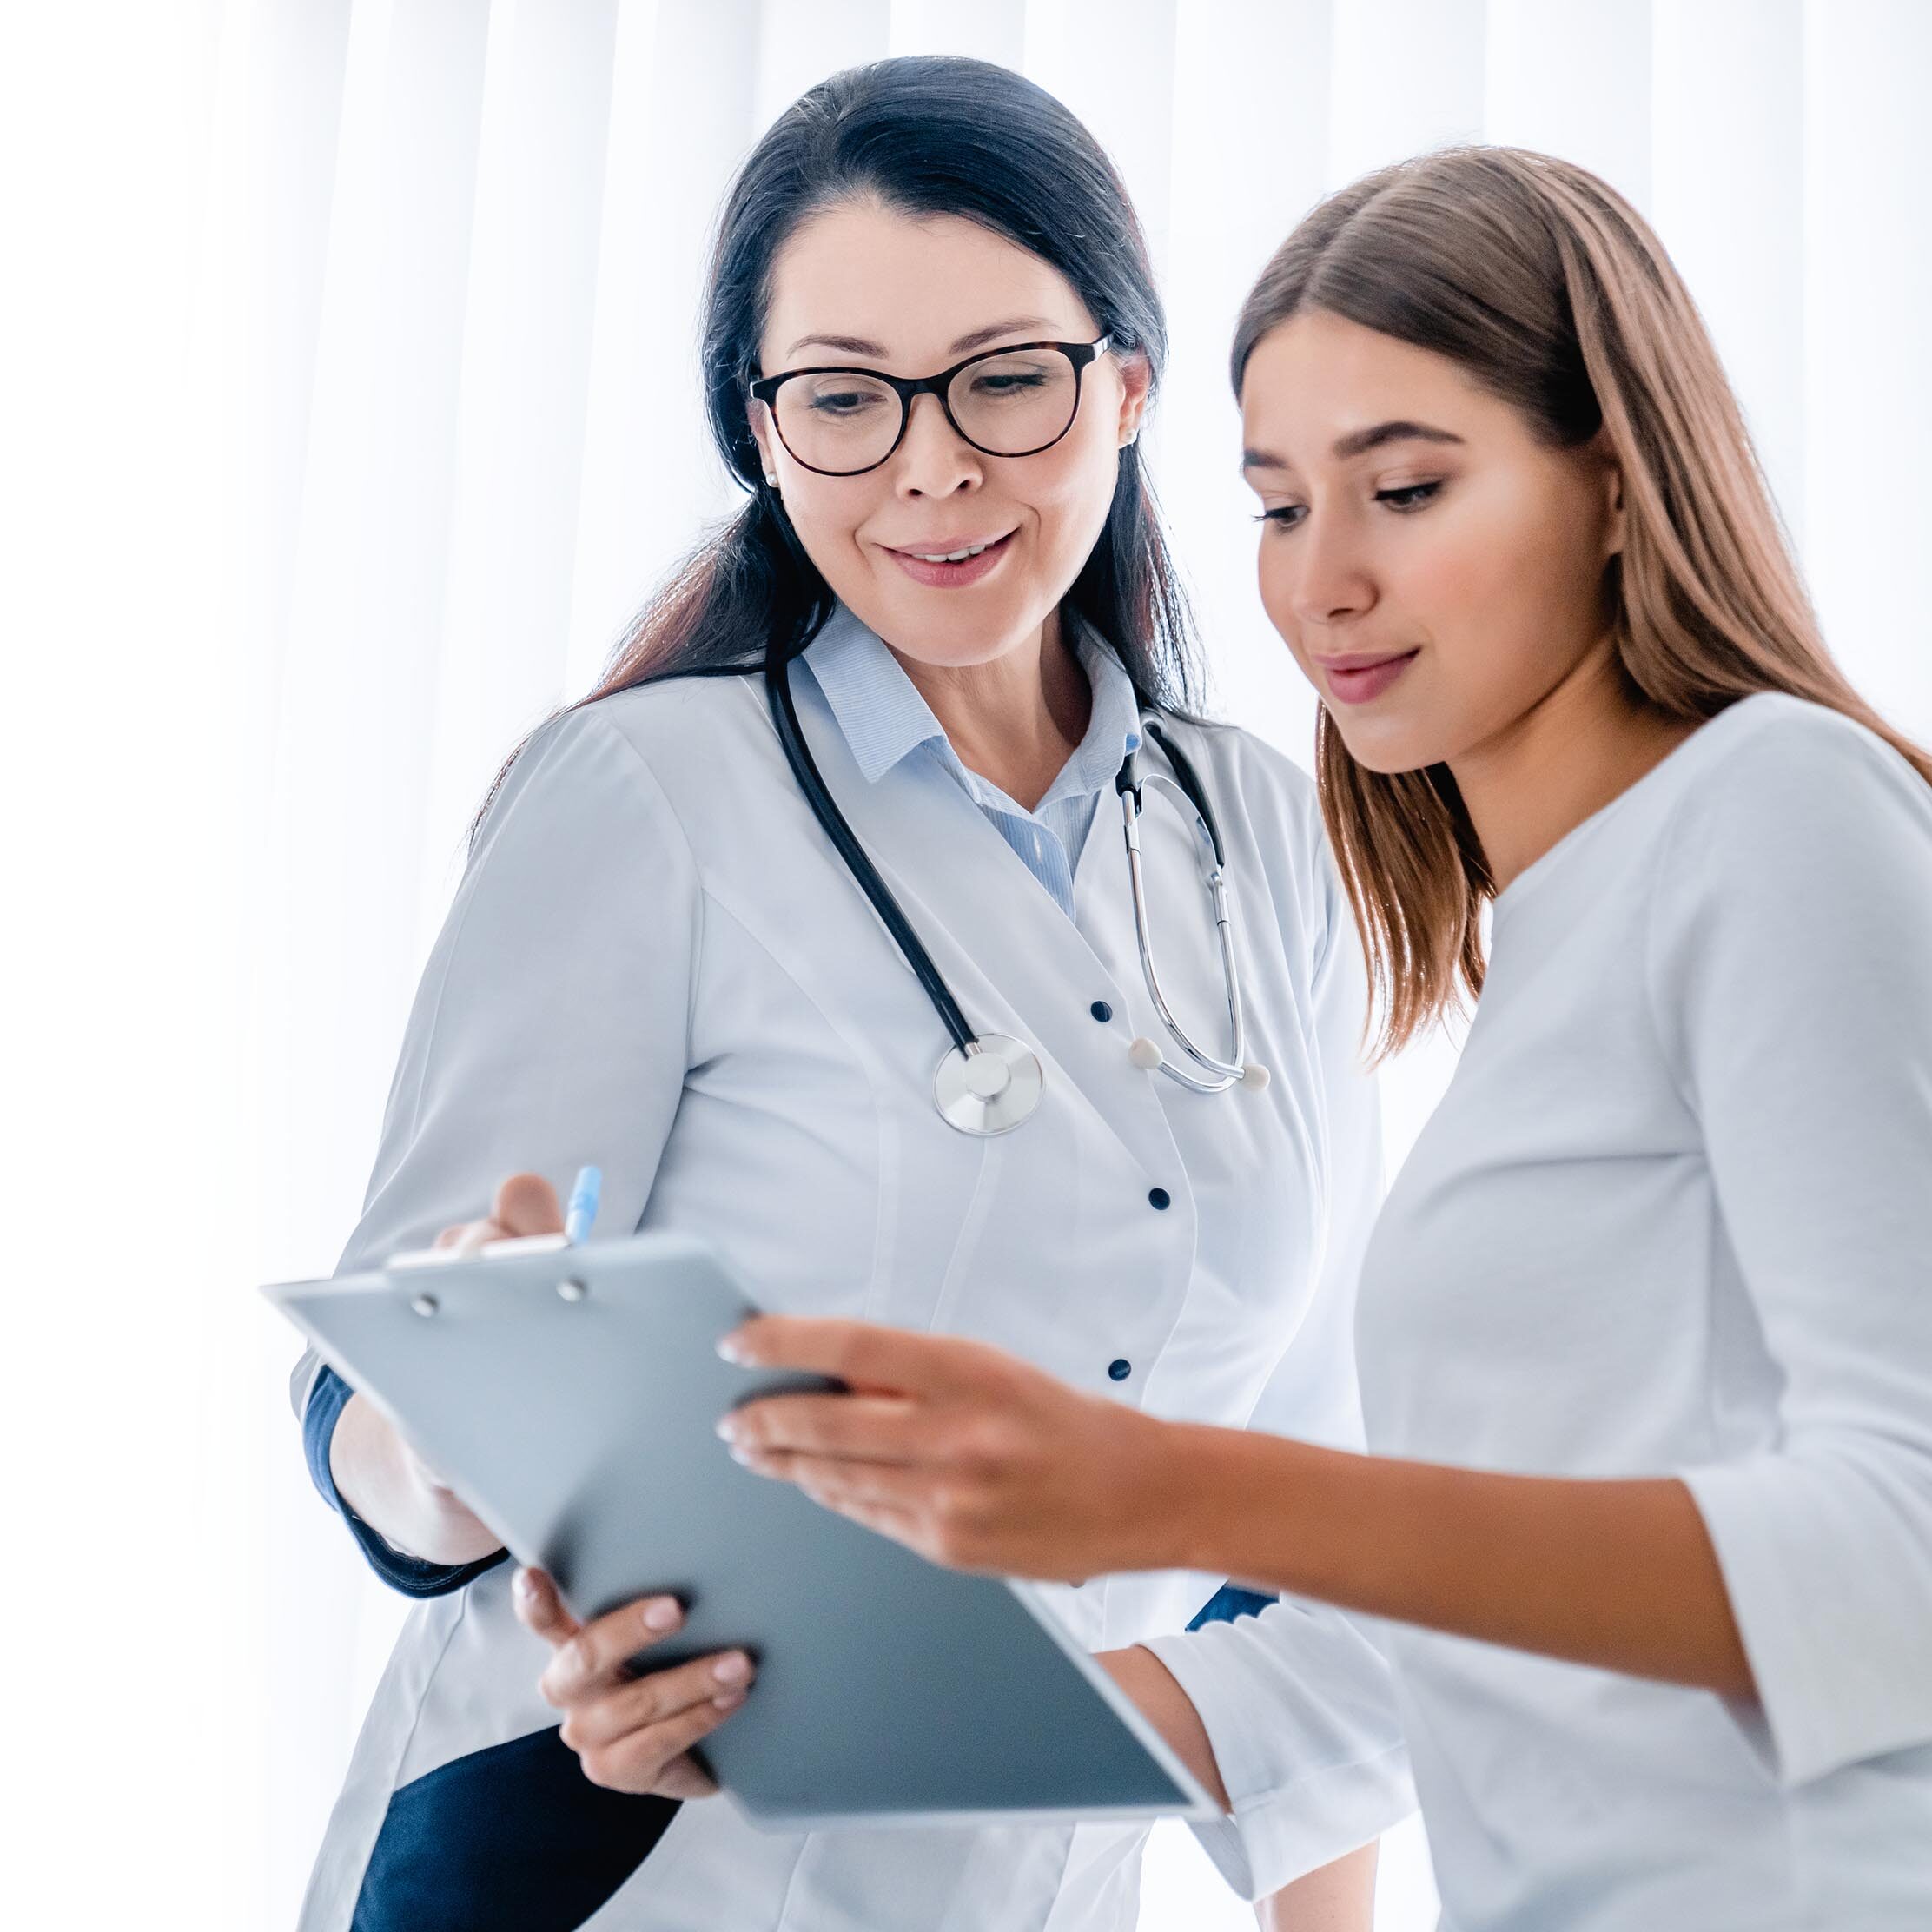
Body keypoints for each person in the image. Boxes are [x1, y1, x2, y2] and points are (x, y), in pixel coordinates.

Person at [721, 146, 1932, 1930]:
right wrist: (807, 1718)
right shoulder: (1562, 940)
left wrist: (1167, 1488)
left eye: (1406, 487)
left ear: (1615, 482)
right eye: (1280, 507)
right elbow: (1461, 1635)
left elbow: (1903, 1563)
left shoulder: (1774, 809)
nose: (1321, 584)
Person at [290, 56, 1413, 1932]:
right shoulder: (646, 797)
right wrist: (460, 1415)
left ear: (1127, 386)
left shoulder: (1258, 837)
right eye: (843, 398)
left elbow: (1298, 1490)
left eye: (1001, 378)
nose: (931, 463)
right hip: (617, 1856)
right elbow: (366, 1405)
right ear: (760, 428)